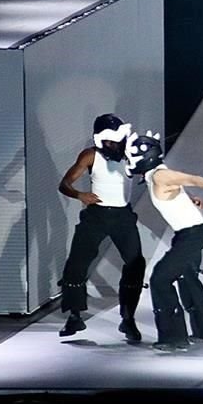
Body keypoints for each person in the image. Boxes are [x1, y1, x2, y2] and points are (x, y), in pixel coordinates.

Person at [125, 130, 203, 350]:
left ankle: (173, 338)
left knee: (160, 279)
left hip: (191, 235)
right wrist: (190, 199)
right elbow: (178, 187)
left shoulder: (159, 176)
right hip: (189, 233)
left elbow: (192, 178)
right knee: (188, 278)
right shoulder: (157, 175)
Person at [57, 114, 145, 341]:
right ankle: (74, 315)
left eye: (114, 140)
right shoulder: (90, 155)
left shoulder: (130, 155)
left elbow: (157, 176)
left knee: (136, 264)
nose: (111, 144)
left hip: (123, 216)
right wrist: (79, 195)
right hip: (96, 215)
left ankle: (128, 318)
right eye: (106, 140)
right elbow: (64, 184)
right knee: (76, 264)